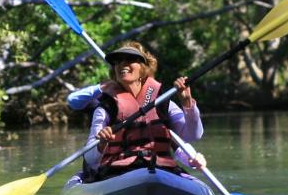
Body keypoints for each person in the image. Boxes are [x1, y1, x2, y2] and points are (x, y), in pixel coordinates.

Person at [68, 42, 204, 182]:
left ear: (143, 69)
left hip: (161, 170)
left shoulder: (162, 101)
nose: (122, 64)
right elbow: (90, 159)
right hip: (117, 173)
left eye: (130, 59)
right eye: (118, 61)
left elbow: (193, 134)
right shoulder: (106, 108)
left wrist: (187, 103)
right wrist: (101, 144)